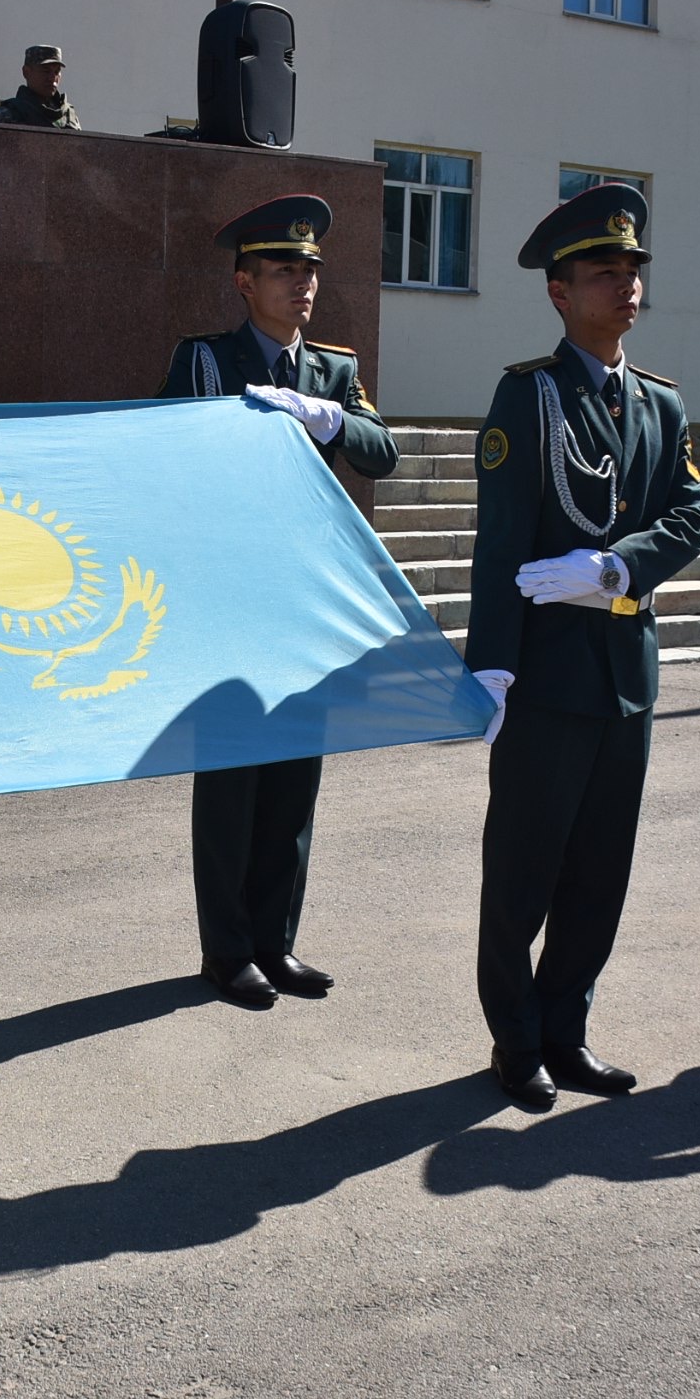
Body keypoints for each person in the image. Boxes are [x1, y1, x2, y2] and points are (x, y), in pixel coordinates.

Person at [464, 184, 700, 1111]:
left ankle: (567, 1030)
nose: (627, 285)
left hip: (624, 677)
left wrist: (616, 568)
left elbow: (690, 517)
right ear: (560, 292)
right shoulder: (529, 394)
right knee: (523, 870)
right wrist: (491, 666)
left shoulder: (659, 403)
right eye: (606, 272)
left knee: (601, 872)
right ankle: (515, 1040)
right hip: (549, 675)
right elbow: (501, 538)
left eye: (634, 269)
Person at [157, 194, 397, 1008]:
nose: (302, 284)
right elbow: (171, 467)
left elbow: (382, 452)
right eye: (284, 270)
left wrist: (328, 417)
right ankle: (225, 951)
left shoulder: (333, 370)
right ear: (243, 281)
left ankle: (274, 941)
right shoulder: (205, 361)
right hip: (230, 602)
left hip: (306, 606)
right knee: (231, 784)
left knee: (294, 779)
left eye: (310, 270)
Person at [0, 44, 79, 129]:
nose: (52, 78)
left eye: (56, 72)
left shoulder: (68, 115)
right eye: (45, 71)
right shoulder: (9, 113)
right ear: (26, 72)